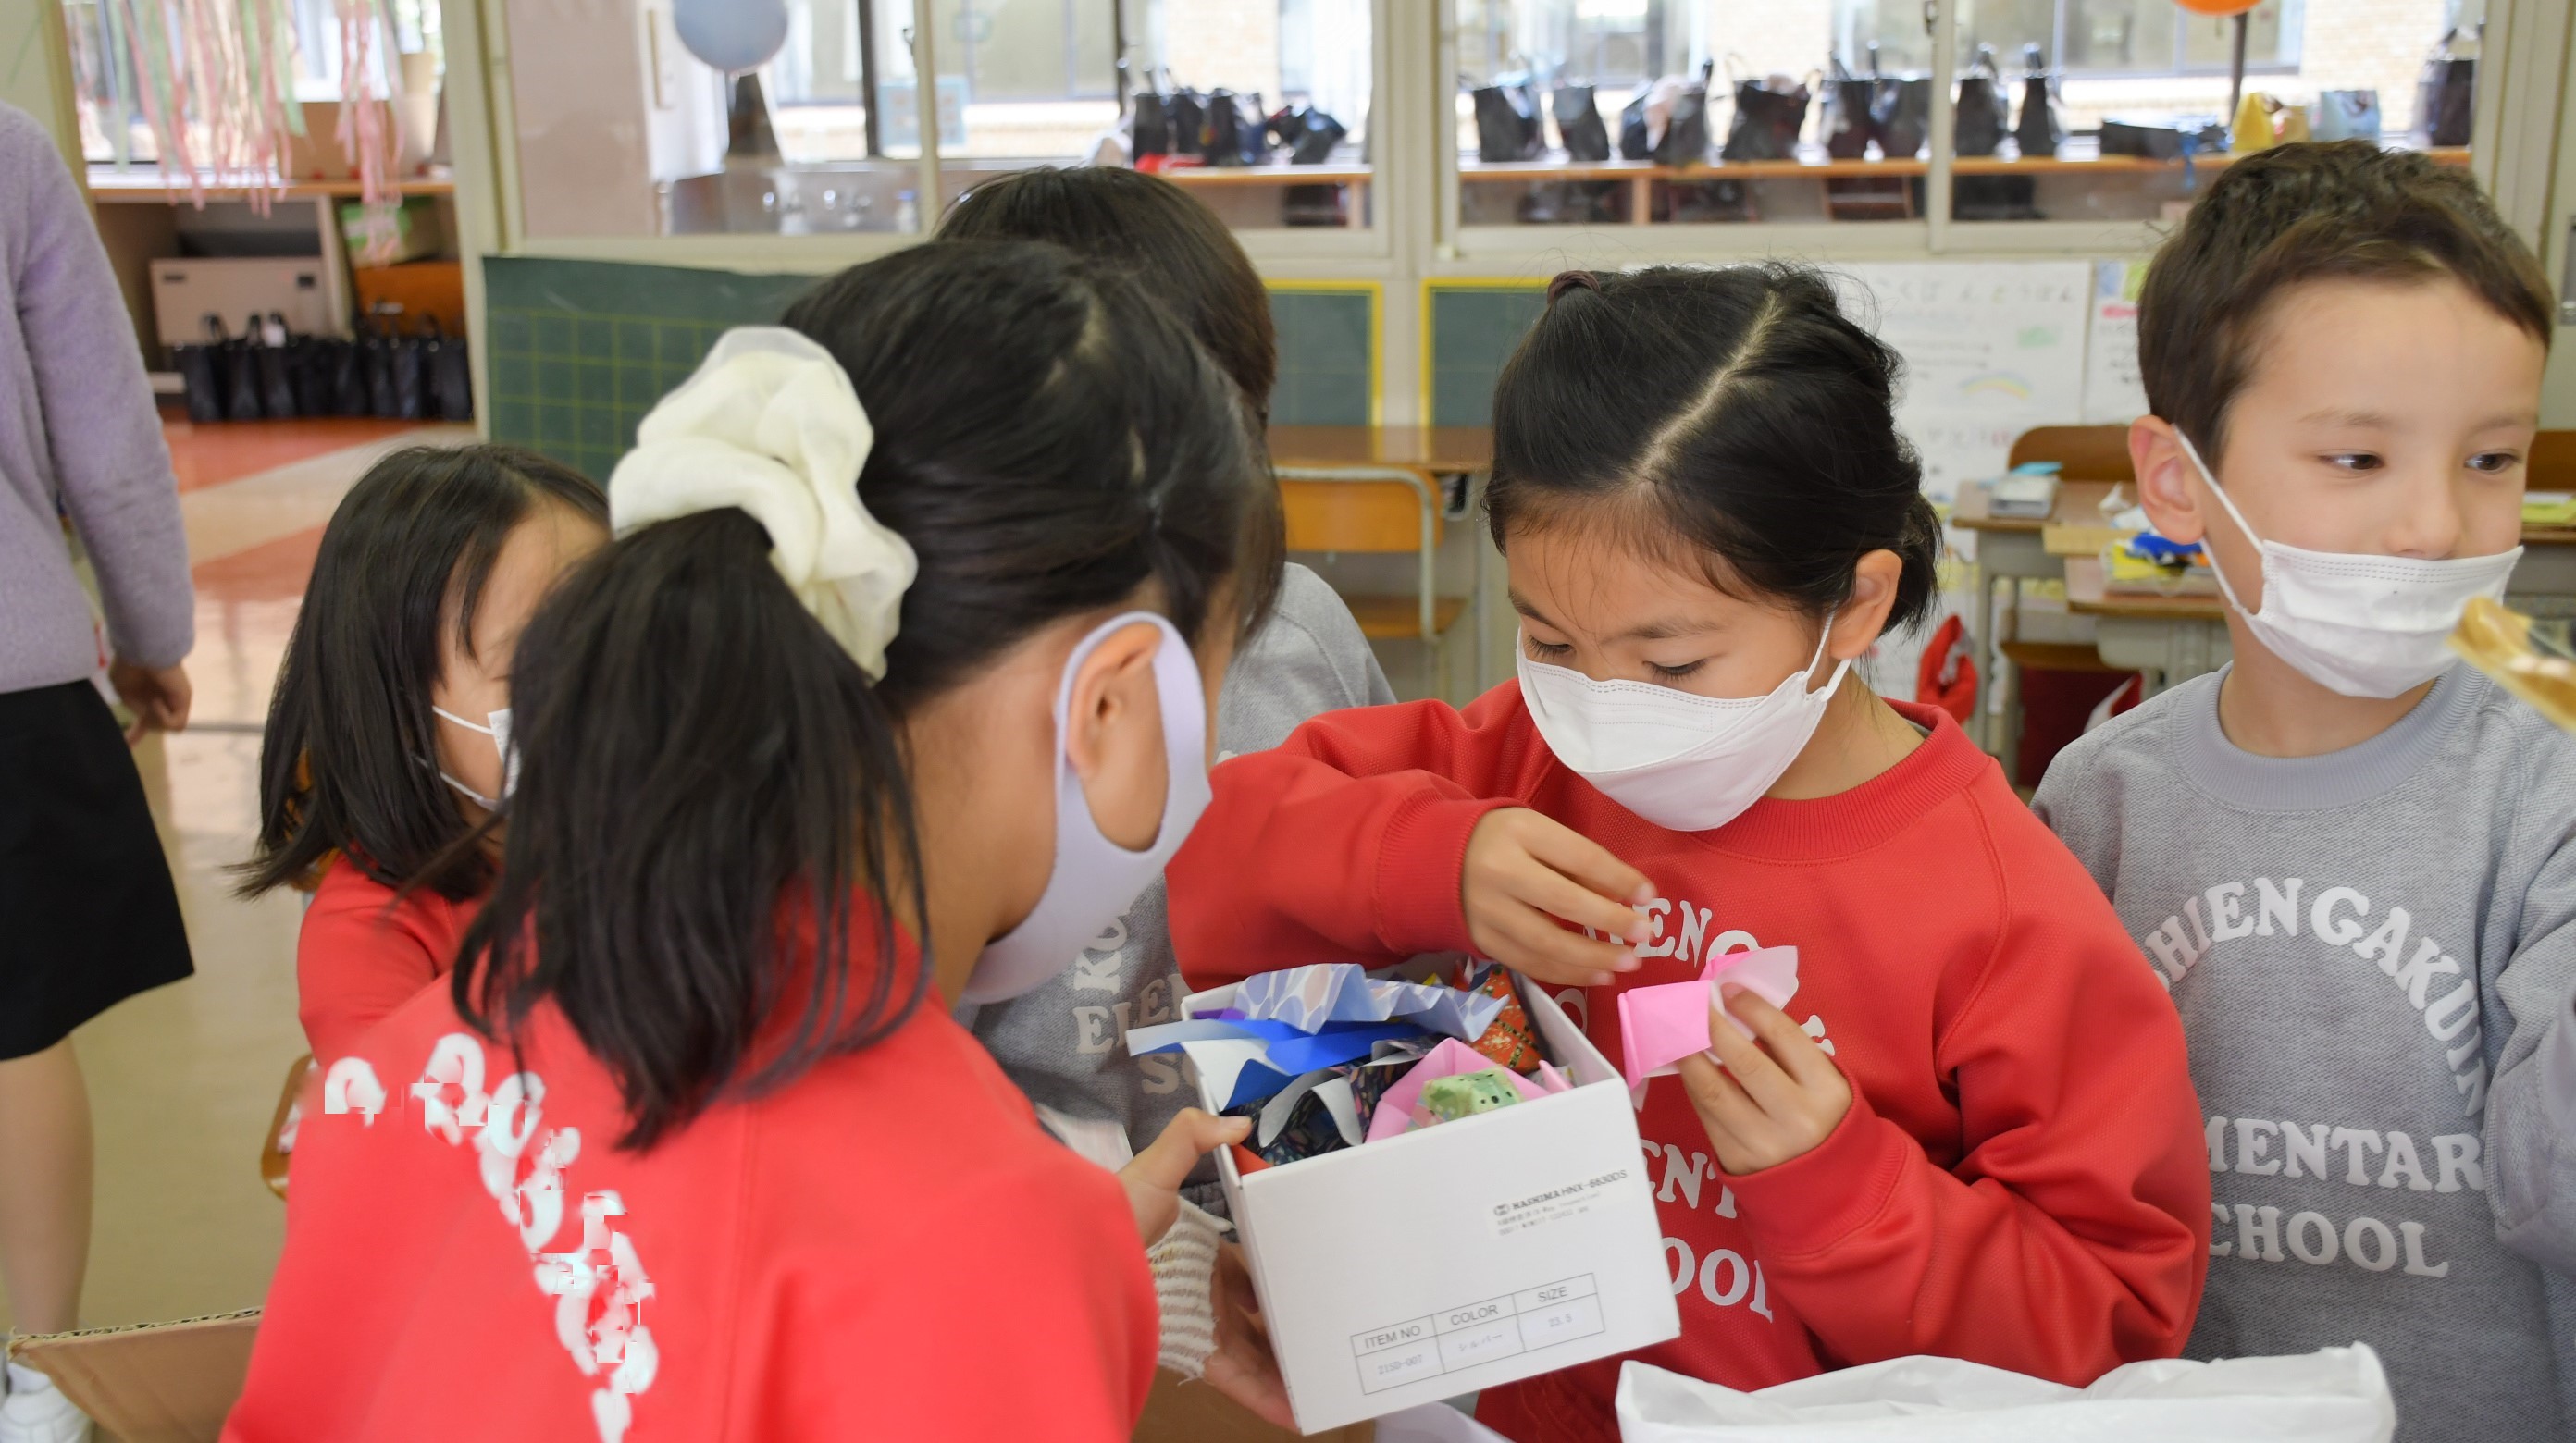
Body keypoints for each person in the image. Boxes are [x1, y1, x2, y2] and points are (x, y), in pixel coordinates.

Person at [226, 240, 1283, 1440]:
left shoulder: (429, 1052)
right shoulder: (971, 1243)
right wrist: (1042, 1274)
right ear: (1112, 702)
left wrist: (1080, 1256)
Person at [1167, 264, 2211, 1443]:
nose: (1604, 706)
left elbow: (2113, 1331)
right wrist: (1425, 860)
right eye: (1550, 641)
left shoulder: (2004, 907)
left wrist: (1846, 1187)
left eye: (1671, 666)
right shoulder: (1521, 764)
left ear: (1855, 605)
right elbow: (1205, 856)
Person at [2034, 142, 2576, 1441]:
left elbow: (2557, 1191)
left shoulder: (2544, 789)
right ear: (2178, 481)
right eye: (2356, 460)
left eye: (2491, 460)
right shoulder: (2100, 798)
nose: (2436, 526)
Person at [937, 166, 1392, 1192]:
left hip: (1302, 1190)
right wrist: (1133, 1242)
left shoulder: (1301, 629)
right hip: (1063, 1218)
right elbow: (914, 1094)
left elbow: (1387, 901)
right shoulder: (958, 726)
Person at [0, 101, 195, 1443]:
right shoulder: (8, 153)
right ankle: (37, 1384)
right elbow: (106, 436)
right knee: (15, 1033)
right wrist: (148, 632)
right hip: (7, 675)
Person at [237, 445, 607, 1065]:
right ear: (403, 716)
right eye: (536, 663)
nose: (600, 686)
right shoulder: (367, 942)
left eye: (615, 640)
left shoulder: (630, 838)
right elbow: (404, 1112)